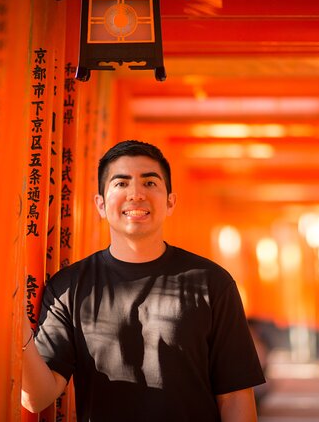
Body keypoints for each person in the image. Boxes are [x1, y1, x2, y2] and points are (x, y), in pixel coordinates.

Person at [21, 140, 266, 421]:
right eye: (121, 184)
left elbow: (235, 396)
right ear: (100, 204)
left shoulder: (212, 283)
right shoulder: (70, 287)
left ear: (170, 202)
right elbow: (37, 397)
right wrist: (13, 318)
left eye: (150, 183)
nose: (136, 194)